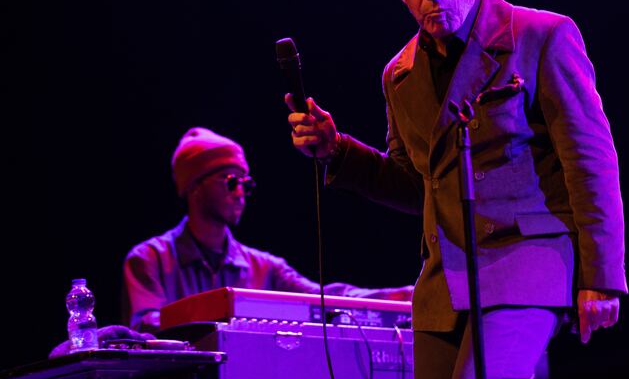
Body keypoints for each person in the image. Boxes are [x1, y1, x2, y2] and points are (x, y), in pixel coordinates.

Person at [286, 0, 627, 379]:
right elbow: (416, 184)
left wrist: (602, 275)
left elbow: (590, 160)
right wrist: (336, 151)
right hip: (445, 282)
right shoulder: (398, 75)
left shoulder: (538, 36)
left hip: (526, 263)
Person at [122, 127, 412, 334]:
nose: (241, 194)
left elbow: (322, 298)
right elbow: (147, 328)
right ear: (194, 188)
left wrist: (392, 297)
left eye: (246, 185)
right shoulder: (149, 259)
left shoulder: (265, 267)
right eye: (231, 181)